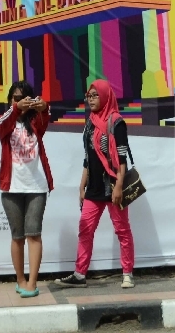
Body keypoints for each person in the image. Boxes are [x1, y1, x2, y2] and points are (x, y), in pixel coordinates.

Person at [55, 79, 136, 289]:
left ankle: (127, 273)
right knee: (85, 229)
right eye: (88, 96)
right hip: (93, 188)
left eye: (94, 95)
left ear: (105, 96)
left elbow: (122, 158)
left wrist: (118, 186)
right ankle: (80, 274)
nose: (90, 99)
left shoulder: (117, 122)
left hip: (113, 186)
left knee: (122, 230)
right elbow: (88, 158)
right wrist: (81, 186)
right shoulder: (90, 121)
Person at [0, 81, 52, 299]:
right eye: (15, 98)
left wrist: (43, 106)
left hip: (37, 187)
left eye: (23, 97)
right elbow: (0, 125)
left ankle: (32, 282)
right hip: (11, 188)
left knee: (34, 234)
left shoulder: (36, 123)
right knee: (17, 236)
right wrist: (17, 108)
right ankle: (20, 279)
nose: (19, 101)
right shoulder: (4, 122)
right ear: (10, 100)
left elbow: (46, 114)